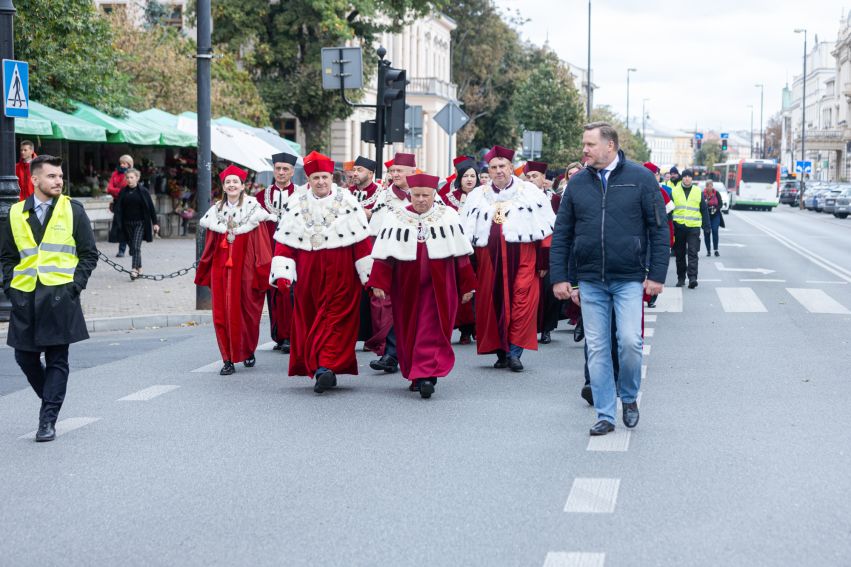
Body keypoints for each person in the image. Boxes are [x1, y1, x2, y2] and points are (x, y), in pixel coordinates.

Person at [551, 122, 669, 436]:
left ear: (610, 146)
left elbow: (658, 230)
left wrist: (656, 275)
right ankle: (605, 413)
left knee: (630, 342)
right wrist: (561, 277)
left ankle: (628, 397)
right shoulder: (577, 185)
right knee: (598, 348)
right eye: (584, 144)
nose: (584, 150)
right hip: (590, 279)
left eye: (590, 144)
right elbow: (562, 233)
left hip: (629, 278)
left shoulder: (641, 179)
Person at [1, 155, 98, 442]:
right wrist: (10, 288)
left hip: (60, 297)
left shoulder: (73, 210)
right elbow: (7, 256)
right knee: (24, 357)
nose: (58, 181)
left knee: (57, 358)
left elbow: (88, 254)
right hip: (25, 298)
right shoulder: (15, 213)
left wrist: (74, 287)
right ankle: (51, 399)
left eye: (60, 176)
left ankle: (48, 420)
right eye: (52, 176)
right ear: (34, 180)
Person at [270, 152, 372, 393]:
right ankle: (319, 367)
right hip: (308, 278)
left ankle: (326, 366)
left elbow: (362, 244)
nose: (321, 182)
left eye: (324, 177)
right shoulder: (296, 203)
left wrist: (370, 278)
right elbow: (285, 244)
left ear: (331, 177)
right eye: (316, 178)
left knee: (336, 322)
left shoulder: (348, 202)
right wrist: (283, 274)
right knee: (311, 321)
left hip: (343, 277)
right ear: (309, 178)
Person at [367, 173, 476, 398]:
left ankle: (426, 374)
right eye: (416, 195)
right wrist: (378, 282)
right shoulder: (395, 216)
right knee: (409, 329)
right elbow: (384, 254)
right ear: (410, 194)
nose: (420, 200)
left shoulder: (448, 216)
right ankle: (417, 374)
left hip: (439, 286)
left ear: (434, 194)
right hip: (405, 286)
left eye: (425, 195)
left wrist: (467, 285)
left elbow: (461, 255)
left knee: (432, 329)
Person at [461, 145, 556, 372]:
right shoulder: (477, 196)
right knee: (490, 305)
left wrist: (544, 261)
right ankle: (500, 351)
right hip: (488, 261)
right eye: (493, 167)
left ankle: (515, 352)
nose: (498, 171)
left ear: (511, 168)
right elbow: (467, 234)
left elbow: (547, 229)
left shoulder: (530, 192)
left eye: (502, 166)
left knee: (522, 303)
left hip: (523, 258)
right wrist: (469, 267)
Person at [195, 165, 274, 376]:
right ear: (223, 186)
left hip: (245, 267)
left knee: (248, 311)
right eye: (228, 182)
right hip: (221, 268)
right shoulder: (216, 211)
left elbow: (261, 243)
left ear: (242, 186)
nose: (231, 185)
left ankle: (247, 349)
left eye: (235, 182)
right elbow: (210, 244)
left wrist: (261, 269)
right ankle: (227, 358)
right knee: (222, 313)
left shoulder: (253, 209)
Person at [366, 152, 417, 373]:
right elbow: (376, 229)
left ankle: (414, 352)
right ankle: (390, 354)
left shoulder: (424, 193)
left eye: (399, 171)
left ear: (412, 172)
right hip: (392, 259)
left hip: (418, 260)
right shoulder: (385, 197)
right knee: (391, 306)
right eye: (392, 171)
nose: (394, 174)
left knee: (416, 307)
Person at [254, 152, 300, 353]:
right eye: (278, 169)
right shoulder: (259, 197)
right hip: (268, 251)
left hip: (294, 251)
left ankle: (292, 335)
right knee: (273, 293)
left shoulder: (301, 194)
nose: (281, 173)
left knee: (291, 292)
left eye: (285, 169)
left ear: (292, 172)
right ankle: (278, 335)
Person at [443, 157, 480, 344]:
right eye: (466, 176)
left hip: (480, 250)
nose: (469, 180)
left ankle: (477, 326)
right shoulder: (448, 198)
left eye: (473, 176)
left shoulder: (484, 196)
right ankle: (464, 328)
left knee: (479, 288)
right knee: (461, 288)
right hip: (456, 250)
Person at [107, 168, 159, 280]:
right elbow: (119, 207)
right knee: (133, 249)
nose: (129, 180)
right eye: (128, 178)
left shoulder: (143, 191)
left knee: (136, 246)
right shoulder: (123, 191)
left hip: (140, 223)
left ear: (137, 178)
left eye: (132, 177)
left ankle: (134, 269)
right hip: (127, 224)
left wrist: (155, 223)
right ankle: (139, 267)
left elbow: (151, 208)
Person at [671, 168, 709, 288]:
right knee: (680, 254)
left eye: (689, 176)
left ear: (692, 178)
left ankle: (692, 278)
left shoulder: (698, 191)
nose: (687, 178)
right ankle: (681, 278)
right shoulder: (675, 191)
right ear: (682, 178)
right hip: (679, 226)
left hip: (693, 227)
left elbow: (703, 209)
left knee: (693, 253)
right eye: (685, 176)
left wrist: (706, 226)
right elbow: (669, 209)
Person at [107, 155, 133, 257]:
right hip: (118, 203)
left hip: (129, 203)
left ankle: (132, 247)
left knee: (129, 226)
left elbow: (129, 188)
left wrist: (117, 191)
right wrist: (119, 192)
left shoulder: (131, 175)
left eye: (124, 163)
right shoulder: (115, 174)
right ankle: (122, 250)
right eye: (121, 163)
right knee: (120, 226)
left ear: (129, 164)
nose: (122, 165)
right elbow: (109, 188)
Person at [703, 179, 725, 257]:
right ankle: (708, 251)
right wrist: (706, 204)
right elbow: (701, 204)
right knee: (707, 232)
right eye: (708, 186)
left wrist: (716, 209)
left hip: (715, 215)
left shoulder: (716, 193)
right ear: (706, 187)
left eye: (711, 186)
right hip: (706, 216)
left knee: (715, 230)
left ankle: (716, 250)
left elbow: (721, 204)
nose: (710, 188)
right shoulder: (703, 194)